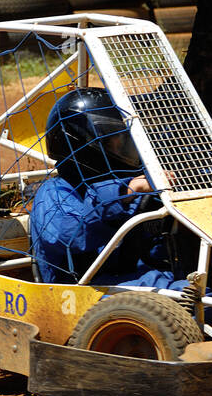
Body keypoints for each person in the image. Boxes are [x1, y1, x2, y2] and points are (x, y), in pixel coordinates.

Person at [30, 87, 185, 290]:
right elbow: (69, 235)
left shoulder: (126, 186)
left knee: (203, 276)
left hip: (126, 279)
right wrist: (123, 194)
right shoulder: (52, 193)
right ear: (85, 144)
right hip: (79, 291)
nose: (127, 150)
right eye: (116, 143)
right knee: (160, 287)